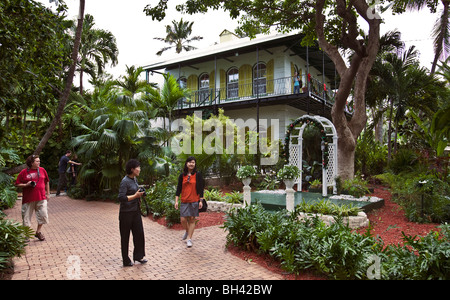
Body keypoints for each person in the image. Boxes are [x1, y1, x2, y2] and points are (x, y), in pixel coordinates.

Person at [118, 159, 147, 267]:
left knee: (139, 234)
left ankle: (138, 256)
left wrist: (140, 193)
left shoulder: (134, 179)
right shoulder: (124, 181)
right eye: (138, 167)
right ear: (132, 169)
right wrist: (135, 196)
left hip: (135, 212)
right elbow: (121, 197)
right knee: (125, 237)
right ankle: (126, 260)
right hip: (126, 213)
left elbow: (134, 192)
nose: (139, 169)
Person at [14, 155, 50, 241]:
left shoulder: (42, 170)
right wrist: (26, 185)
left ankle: (38, 232)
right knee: (26, 218)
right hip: (28, 199)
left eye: (39, 161)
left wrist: (48, 193)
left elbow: (47, 182)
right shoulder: (24, 172)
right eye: (37, 161)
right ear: (31, 163)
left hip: (41, 197)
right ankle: (26, 236)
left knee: (43, 215)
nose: (39, 162)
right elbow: (17, 184)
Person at [175, 156, 205, 248]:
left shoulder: (197, 174)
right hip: (184, 200)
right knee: (183, 220)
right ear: (186, 163)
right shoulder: (182, 175)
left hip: (194, 200)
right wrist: (176, 201)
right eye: (189, 162)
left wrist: (201, 200)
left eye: (193, 162)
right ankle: (188, 231)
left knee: (192, 219)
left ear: (195, 164)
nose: (191, 164)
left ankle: (189, 239)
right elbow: (178, 188)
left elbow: (201, 188)